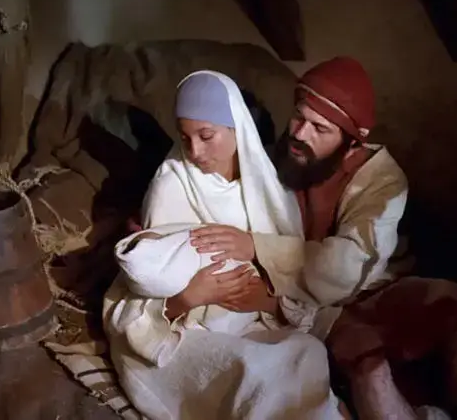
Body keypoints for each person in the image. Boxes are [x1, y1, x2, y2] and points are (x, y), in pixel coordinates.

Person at [190, 57, 457, 420]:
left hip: (364, 285)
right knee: (367, 360)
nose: (301, 134)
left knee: (454, 314)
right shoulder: (275, 159)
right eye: (299, 117)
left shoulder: (382, 180)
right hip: (302, 300)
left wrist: (257, 246)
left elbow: (348, 267)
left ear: (351, 144)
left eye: (320, 128)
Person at [105, 70, 348, 420]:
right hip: (186, 332)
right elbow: (148, 277)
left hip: (252, 320)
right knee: (255, 371)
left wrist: (267, 300)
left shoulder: (266, 186)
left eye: (206, 136)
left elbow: (294, 269)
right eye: (185, 137)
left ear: (237, 128)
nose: (195, 151)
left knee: (306, 353)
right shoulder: (172, 185)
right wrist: (189, 298)